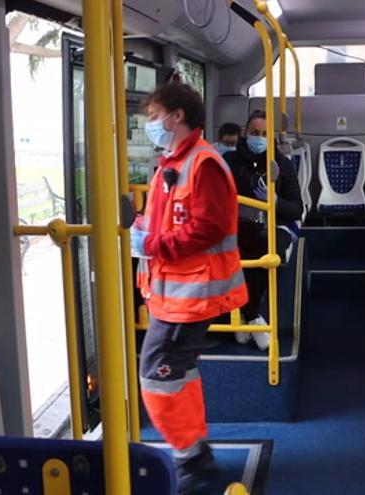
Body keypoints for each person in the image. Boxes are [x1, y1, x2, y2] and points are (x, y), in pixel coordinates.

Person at [130, 82, 248, 493]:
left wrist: (152, 243)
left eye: (153, 116)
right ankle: (195, 451)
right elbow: (168, 221)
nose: (150, 125)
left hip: (192, 294)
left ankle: (190, 456)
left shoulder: (204, 163)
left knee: (156, 375)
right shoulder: (171, 163)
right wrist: (142, 229)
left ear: (176, 115)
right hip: (172, 293)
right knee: (177, 371)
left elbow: (209, 226)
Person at [223, 110, 303, 349]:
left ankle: (248, 314)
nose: (259, 137)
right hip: (238, 223)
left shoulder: (282, 165)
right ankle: (252, 316)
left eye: (265, 134)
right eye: (254, 133)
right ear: (245, 133)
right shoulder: (230, 161)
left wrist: (275, 201)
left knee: (264, 245)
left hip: (274, 223)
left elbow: (296, 208)